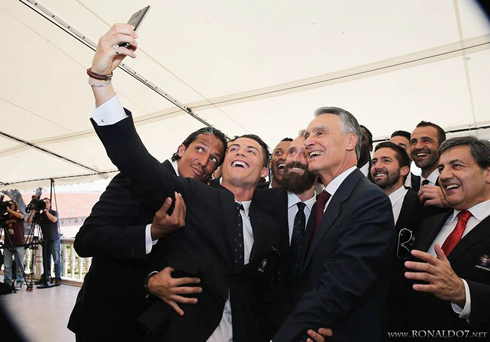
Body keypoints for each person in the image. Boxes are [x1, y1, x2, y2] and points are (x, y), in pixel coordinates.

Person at [68, 126, 224, 341]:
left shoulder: (201, 197)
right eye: (200, 149)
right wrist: (152, 232)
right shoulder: (135, 179)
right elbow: (86, 240)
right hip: (109, 320)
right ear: (181, 149)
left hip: (157, 326)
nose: (205, 162)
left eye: (215, 158)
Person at [273, 107, 395, 341]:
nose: (309, 142)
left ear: (351, 141)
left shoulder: (369, 200)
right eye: (308, 135)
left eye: (319, 133)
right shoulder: (325, 200)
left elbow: (339, 287)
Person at [404, 136, 490, 333]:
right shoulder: (430, 223)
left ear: (487, 173)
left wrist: (462, 292)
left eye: (457, 166)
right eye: (441, 169)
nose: (443, 176)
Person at [370, 142, 424, 334]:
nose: (377, 166)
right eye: (374, 161)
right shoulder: (362, 208)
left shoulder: (423, 206)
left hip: (406, 313)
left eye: (386, 160)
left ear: (404, 170)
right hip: (367, 309)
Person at [27, 198, 60, 286]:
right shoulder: (40, 215)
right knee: (46, 260)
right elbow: (29, 221)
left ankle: (58, 278)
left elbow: (54, 220)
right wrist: (33, 212)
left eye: (47, 202)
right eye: (44, 202)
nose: (45, 204)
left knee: (56, 259)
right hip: (45, 240)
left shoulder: (53, 212)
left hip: (54, 239)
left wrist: (46, 212)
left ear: (50, 204)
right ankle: (45, 277)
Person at [3, 201, 25, 289]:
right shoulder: (4, 217)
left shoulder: (19, 213)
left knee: (19, 264)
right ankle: (7, 282)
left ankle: (20, 281)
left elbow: (21, 216)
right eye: (8, 205)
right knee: (7, 265)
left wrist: (10, 211)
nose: (10, 206)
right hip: (7, 243)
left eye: (12, 205)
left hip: (18, 242)